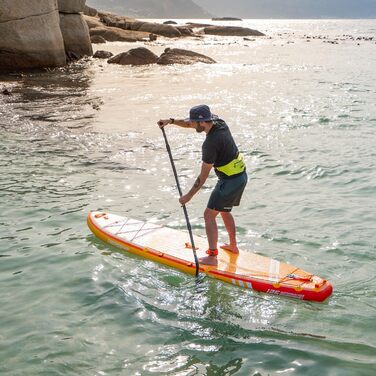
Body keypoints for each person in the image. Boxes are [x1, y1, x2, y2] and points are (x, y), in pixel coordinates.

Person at [158, 105, 247, 266]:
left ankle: (212, 257)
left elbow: (203, 176)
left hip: (229, 182)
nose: (191, 125)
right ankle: (233, 246)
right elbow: (187, 123)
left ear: (203, 123)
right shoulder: (219, 122)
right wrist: (170, 121)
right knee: (224, 211)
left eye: (194, 122)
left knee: (209, 215)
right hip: (240, 177)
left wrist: (188, 196)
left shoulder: (210, 144)